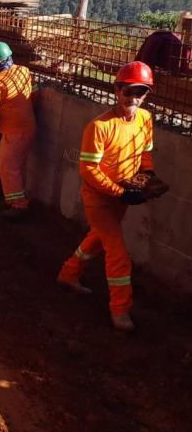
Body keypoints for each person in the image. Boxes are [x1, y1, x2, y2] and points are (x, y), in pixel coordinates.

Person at [57, 61, 158, 332]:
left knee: (98, 238)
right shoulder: (99, 127)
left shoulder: (145, 119)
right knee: (118, 252)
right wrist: (121, 192)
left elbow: (145, 152)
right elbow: (88, 170)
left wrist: (147, 174)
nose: (134, 98)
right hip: (99, 200)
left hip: (122, 196)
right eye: (129, 91)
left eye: (141, 92)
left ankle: (69, 273)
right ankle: (120, 310)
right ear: (117, 90)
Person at [0, 41, 36, 221]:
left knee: (8, 167)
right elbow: (31, 92)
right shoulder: (23, 71)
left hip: (14, 131)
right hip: (29, 127)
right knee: (18, 166)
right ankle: (17, 198)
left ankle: (18, 206)